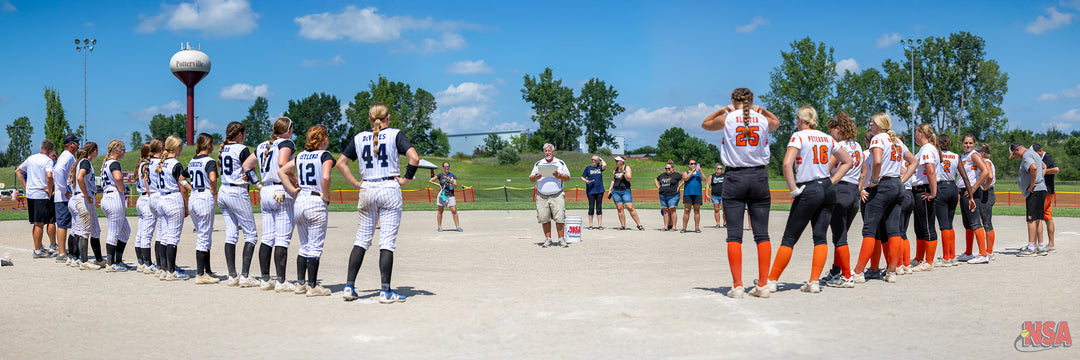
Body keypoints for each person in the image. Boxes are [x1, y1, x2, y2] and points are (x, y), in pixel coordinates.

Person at [336, 103, 420, 303]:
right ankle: (385, 291)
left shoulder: (358, 137)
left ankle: (349, 286)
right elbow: (414, 158)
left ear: (369, 119)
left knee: (362, 239)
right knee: (387, 242)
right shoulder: (395, 134)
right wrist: (407, 179)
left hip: (367, 188)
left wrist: (356, 183)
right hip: (389, 187)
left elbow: (341, 163)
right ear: (388, 117)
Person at [701, 87, 780, 298]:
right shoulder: (762, 120)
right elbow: (776, 123)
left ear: (732, 100)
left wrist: (721, 110)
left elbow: (705, 124)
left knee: (734, 235)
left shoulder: (728, 119)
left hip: (735, 177)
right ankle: (763, 284)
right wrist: (763, 111)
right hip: (759, 177)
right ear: (752, 100)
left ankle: (737, 286)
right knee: (762, 234)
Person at [766, 105, 852, 294]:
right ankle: (814, 282)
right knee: (820, 237)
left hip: (809, 187)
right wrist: (832, 180)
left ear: (800, 120)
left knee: (789, 237)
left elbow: (787, 164)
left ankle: (771, 280)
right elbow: (847, 160)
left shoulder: (799, 136)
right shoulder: (827, 137)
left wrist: (793, 189)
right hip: (827, 189)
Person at [851, 113, 916, 284]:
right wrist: (901, 180)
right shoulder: (897, 141)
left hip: (883, 185)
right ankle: (891, 271)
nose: (870, 126)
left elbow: (877, 162)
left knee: (869, 230)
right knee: (894, 230)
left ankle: (858, 272)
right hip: (896, 185)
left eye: (871, 123)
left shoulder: (878, 139)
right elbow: (914, 162)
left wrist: (873, 180)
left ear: (878, 125)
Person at [279, 125, 335, 297]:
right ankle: (313, 286)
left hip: (300, 199)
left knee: (304, 246)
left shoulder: (302, 155)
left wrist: (292, 189)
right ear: (324, 139)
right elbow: (325, 177)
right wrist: (325, 195)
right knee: (315, 247)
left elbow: (282, 171)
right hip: (315, 200)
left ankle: (300, 284)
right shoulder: (325, 155)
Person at [255, 117, 298, 292]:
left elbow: (246, 166)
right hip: (281, 190)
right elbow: (282, 163)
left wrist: (256, 184)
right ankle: (281, 280)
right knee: (281, 238)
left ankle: (265, 279)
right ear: (288, 130)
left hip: (265, 189)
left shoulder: (262, 145)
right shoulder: (286, 143)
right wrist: (295, 179)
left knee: (267, 237)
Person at [217, 122, 262, 287]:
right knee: (251, 235)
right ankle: (244, 276)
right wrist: (255, 181)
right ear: (239, 134)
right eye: (244, 133)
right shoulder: (241, 149)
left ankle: (232, 275)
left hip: (224, 191)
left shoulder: (223, 149)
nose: (245, 136)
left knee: (231, 234)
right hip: (237, 191)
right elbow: (248, 168)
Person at [820, 112, 861, 287]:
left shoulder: (838, 146)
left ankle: (846, 275)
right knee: (841, 235)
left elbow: (827, 168)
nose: (830, 134)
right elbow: (863, 170)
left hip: (840, 190)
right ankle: (835, 271)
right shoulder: (857, 146)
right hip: (853, 192)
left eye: (831, 131)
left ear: (838, 129)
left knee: (839, 237)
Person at [155, 136, 192, 280]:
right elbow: (182, 183)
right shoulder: (175, 164)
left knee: (164, 236)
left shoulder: (162, 163)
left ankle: (163, 269)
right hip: (173, 199)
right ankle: (171, 271)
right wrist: (192, 190)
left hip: (162, 199)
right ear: (177, 147)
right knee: (173, 237)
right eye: (181, 146)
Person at [186, 133, 220, 284]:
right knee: (204, 237)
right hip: (204, 196)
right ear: (208, 144)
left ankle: (207, 270)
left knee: (203, 234)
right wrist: (214, 191)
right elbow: (212, 178)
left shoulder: (193, 160)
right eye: (212, 143)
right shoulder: (209, 161)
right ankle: (200, 274)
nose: (213, 146)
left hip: (193, 196)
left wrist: (189, 187)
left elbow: (181, 176)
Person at [16, 139, 57, 259]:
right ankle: (38, 251)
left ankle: (37, 247)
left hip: (31, 195)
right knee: (40, 223)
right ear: (50, 150)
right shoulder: (48, 161)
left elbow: (18, 171)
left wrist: (25, 186)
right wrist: (49, 190)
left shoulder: (31, 158)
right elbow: (49, 176)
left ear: (41, 147)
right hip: (41, 194)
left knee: (36, 223)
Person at [908, 125, 940, 272]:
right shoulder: (925, 149)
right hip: (919, 190)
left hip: (924, 189)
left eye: (916, 132)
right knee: (919, 227)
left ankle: (929, 261)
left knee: (927, 226)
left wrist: (933, 193)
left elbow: (931, 171)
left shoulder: (927, 149)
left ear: (921, 133)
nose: (915, 136)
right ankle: (919, 258)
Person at [529, 143, 572, 248]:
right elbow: (531, 179)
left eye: (549, 150)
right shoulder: (539, 163)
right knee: (544, 217)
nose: (547, 153)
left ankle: (561, 239)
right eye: (545, 151)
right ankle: (548, 239)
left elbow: (568, 177)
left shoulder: (560, 163)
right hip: (542, 195)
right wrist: (536, 177)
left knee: (559, 217)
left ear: (553, 152)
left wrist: (560, 176)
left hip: (557, 195)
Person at [956, 134, 990, 263]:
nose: (968, 145)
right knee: (968, 224)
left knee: (975, 222)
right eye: (965, 143)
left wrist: (974, 187)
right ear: (962, 143)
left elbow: (985, 171)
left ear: (974, 144)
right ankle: (969, 253)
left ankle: (983, 254)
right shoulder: (963, 156)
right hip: (964, 191)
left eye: (970, 143)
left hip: (971, 193)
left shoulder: (974, 155)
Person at [99, 140, 132, 272]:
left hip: (107, 197)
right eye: (123, 149)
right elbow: (118, 178)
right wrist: (122, 189)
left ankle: (118, 260)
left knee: (125, 231)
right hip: (114, 197)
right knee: (114, 233)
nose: (124, 151)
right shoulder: (114, 163)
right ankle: (111, 263)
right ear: (116, 150)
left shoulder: (106, 163)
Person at [1010, 143, 1047, 257]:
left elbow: (1034, 168)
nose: (1016, 157)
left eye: (1015, 155)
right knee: (1038, 219)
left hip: (1034, 191)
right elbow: (1044, 166)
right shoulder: (1033, 154)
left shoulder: (1026, 155)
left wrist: (1031, 185)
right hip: (1041, 189)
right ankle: (1040, 247)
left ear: (1017, 150)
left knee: (1031, 219)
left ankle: (1031, 248)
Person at [73, 142, 105, 269]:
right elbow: (80, 178)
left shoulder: (85, 162)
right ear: (94, 150)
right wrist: (86, 195)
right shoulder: (85, 161)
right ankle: (84, 261)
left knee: (95, 230)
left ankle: (99, 259)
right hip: (83, 198)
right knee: (85, 230)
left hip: (87, 198)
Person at [48, 134, 80, 264]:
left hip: (63, 196)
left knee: (66, 224)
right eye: (76, 142)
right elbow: (58, 171)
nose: (78, 144)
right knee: (62, 225)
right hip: (63, 197)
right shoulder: (67, 156)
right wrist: (63, 189)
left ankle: (64, 251)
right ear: (71, 144)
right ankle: (61, 253)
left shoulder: (66, 156)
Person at [932, 135, 961, 267]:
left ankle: (945, 257)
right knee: (950, 223)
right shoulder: (955, 156)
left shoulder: (936, 155)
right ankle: (952, 255)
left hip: (941, 187)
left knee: (943, 225)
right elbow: (964, 175)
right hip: (953, 187)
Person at [133, 142, 155, 273]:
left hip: (140, 199)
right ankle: (148, 264)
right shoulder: (146, 165)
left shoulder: (140, 164)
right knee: (146, 234)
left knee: (141, 233)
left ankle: (140, 262)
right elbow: (147, 185)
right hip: (147, 199)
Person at [604, 156, 644, 230]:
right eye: (615, 161)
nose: (616, 162)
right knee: (619, 208)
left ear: (621, 161)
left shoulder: (627, 168)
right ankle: (623, 225)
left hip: (625, 190)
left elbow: (629, 179)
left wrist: (623, 172)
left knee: (630, 208)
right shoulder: (615, 169)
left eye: (617, 161)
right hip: (616, 191)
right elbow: (613, 180)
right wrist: (610, 189)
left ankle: (639, 224)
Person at [1033, 144, 1058, 252]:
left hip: (1046, 190)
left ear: (1040, 151)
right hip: (1047, 190)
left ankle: (1034, 245)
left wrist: (1041, 172)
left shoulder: (1046, 157)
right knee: (1048, 217)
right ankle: (1051, 244)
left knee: (1037, 216)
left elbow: (1056, 169)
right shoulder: (1040, 158)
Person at [429, 162, 462, 232]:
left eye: (448, 167)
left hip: (450, 195)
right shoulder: (440, 175)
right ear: (443, 167)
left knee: (454, 211)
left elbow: (455, 186)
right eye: (445, 167)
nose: (447, 168)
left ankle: (458, 227)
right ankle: (439, 226)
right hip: (442, 195)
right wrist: (438, 185)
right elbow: (431, 180)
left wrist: (450, 181)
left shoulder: (452, 175)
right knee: (440, 211)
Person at [977, 144, 996, 259]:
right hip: (984, 193)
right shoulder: (983, 162)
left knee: (987, 222)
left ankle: (989, 251)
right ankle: (987, 250)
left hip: (987, 193)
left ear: (982, 153)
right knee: (984, 220)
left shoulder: (987, 162)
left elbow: (989, 175)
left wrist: (985, 187)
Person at [580, 156, 607, 229]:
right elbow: (582, 177)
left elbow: (605, 165)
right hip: (591, 190)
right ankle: (590, 225)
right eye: (592, 159)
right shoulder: (588, 168)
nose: (593, 161)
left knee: (599, 207)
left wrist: (601, 159)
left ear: (598, 161)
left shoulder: (600, 168)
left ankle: (600, 225)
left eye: (595, 160)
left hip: (599, 190)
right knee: (591, 207)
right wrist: (586, 181)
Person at [655, 160, 682, 232]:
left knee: (672, 210)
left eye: (669, 168)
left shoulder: (676, 175)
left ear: (672, 169)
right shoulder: (662, 175)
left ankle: (674, 227)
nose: (667, 170)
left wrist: (679, 186)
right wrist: (658, 187)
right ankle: (666, 226)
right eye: (666, 168)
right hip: (663, 195)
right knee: (665, 211)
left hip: (673, 195)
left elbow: (684, 180)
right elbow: (656, 180)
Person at [680, 159, 704, 233]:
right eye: (692, 163)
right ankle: (684, 228)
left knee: (697, 211)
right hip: (688, 194)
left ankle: (697, 228)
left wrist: (701, 172)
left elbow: (704, 179)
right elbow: (685, 179)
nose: (693, 165)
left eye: (694, 163)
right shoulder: (685, 172)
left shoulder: (698, 173)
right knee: (687, 211)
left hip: (697, 194)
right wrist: (692, 172)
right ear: (688, 165)